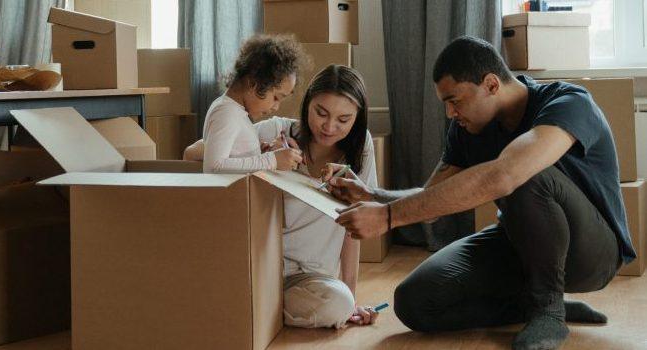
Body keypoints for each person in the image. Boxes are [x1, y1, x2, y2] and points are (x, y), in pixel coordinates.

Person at [327, 36, 635, 350]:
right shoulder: (466, 129)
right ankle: (530, 305)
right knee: (415, 302)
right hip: (520, 244)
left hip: (593, 254)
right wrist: (373, 197)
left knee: (524, 173)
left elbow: (507, 174)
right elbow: (431, 200)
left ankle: (548, 310)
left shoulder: (569, 102)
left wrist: (388, 217)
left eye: (455, 100)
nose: (449, 113)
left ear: (490, 84)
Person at [184, 65, 380, 328]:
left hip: (310, 279)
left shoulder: (361, 149)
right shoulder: (276, 131)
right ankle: (255, 306)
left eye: (343, 120)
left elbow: (353, 229)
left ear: (357, 118)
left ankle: (253, 309)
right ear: (307, 103)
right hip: (260, 267)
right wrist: (263, 156)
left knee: (339, 305)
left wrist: (352, 301)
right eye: (320, 113)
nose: (329, 127)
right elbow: (192, 153)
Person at [201, 33, 306, 174]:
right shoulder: (226, 112)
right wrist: (271, 160)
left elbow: (234, 159)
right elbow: (213, 167)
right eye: (276, 97)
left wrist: (258, 155)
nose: (276, 107)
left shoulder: (236, 112)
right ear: (254, 82)